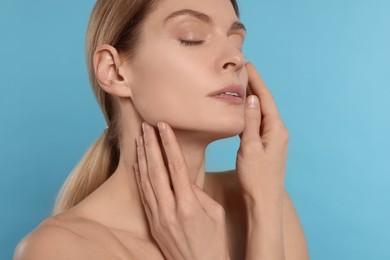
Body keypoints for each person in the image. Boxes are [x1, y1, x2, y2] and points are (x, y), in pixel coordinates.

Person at [14, 0, 309, 259]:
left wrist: (263, 206)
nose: (236, 58)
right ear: (114, 71)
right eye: (191, 37)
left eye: (237, 41)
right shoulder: (59, 249)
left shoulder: (267, 199)